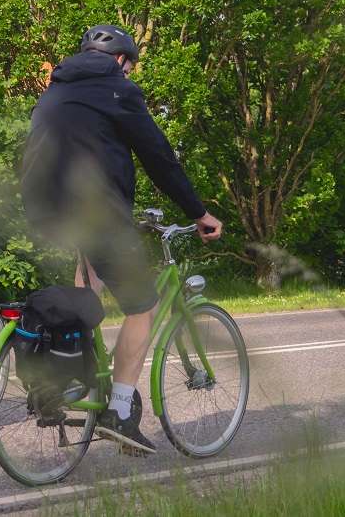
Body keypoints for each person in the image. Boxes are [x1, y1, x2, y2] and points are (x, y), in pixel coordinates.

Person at [21, 24, 223, 455]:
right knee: (143, 305)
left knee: (88, 285)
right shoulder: (117, 90)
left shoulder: (54, 89)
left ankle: (72, 376)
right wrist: (198, 213)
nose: (130, 75)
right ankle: (119, 411)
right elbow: (159, 157)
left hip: (44, 208)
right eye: (130, 67)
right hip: (96, 211)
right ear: (119, 61)